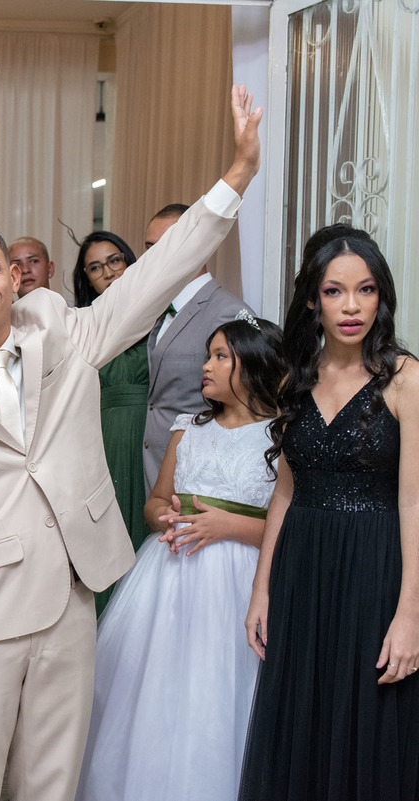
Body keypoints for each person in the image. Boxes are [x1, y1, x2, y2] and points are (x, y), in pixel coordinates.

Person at [0, 86, 261, 801]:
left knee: (53, 786)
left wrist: (236, 178)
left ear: (14, 277)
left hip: (71, 603)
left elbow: (157, 273)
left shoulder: (65, 334)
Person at [239, 228, 419, 800]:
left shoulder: (406, 379)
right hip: (303, 574)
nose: (351, 306)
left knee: (368, 727)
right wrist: (262, 589)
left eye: (365, 290)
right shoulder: (296, 378)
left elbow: (415, 502)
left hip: (375, 572)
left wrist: (410, 614)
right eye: (334, 291)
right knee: (304, 726)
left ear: (381, 297)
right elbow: (284, 493)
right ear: (313, 300)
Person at [76, 315, 284, 801]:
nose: (205, 366)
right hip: (170, 576)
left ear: (255, 364)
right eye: (208, 355)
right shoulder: (187, 428)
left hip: (242, 581)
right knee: (154, 689)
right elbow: (153, 503)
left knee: (221, 692)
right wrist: (165, 517)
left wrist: (228, 526)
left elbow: (289, 527)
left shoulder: (282, 436)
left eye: (220, 356)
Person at [142, 203, 251, 494]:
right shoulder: (157, 310)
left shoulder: (227, 313)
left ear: (198, 246)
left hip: (196, 475)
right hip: (151, 467)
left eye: (165, 246)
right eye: (149, 248)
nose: (152, 257)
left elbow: (242, 406)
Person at [71, 231, 148, 614]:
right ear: (87, 279)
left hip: (150, 436)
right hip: (100, 440)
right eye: (95, 267)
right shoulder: (82, 328)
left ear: (130, 260)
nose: (108, 272)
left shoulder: (157, 314)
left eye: (114, 260)